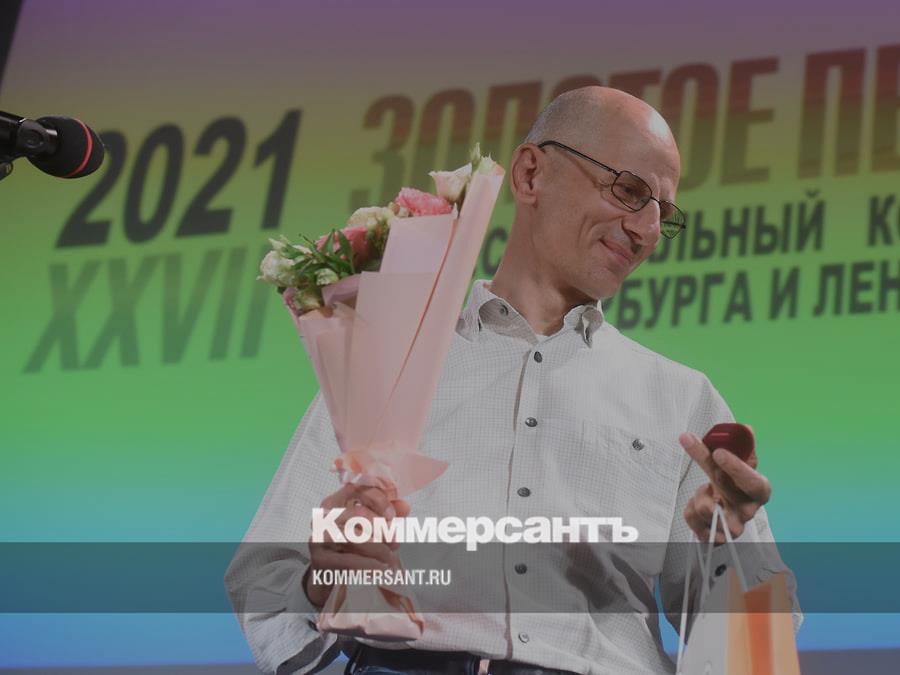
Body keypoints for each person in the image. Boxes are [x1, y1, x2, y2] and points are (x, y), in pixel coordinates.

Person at [226, 85, 801, 675]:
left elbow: (753, 655)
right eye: (630, 191)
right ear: (530, 174)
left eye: (664, 212)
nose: (648, 229)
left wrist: (725, 549)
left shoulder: (683, 401)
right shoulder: (390, 358)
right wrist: (324, 584)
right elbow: (265, 576)